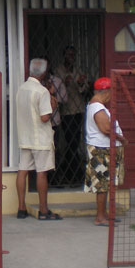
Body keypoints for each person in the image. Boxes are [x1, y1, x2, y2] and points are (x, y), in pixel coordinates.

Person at [15, 58, 62, 220]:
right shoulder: (42, 92)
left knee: (23, 171)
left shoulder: (21, 89)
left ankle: (21, 208)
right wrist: (53, 108)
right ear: (43, 72)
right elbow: (44, 117)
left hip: (25, 136)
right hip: (40, 138)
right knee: (42, 172)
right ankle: (43, 210)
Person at [84, 76, 127, 226]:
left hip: (104, 148)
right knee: (102, 185)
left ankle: (104, 214)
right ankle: (100, 217)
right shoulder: (97, 107)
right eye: (112, 91)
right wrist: (121, 139)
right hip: (101, 150)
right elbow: (106, 128)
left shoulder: (96, 106)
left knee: (105, 184)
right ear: (105, 91)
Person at [54, 45, 90, 185]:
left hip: (78, 109)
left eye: (73, 55)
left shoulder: (77, 70)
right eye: (69, 55)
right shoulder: (58, 71)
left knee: (76, 139)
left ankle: (72, 170)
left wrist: (81, 83)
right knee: (70, 141)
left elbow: (85, 89)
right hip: (66, 111)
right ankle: (70, 170)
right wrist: (65, 83)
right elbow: (55, 89)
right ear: (64, 56)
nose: (71, 57)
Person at [39, 57, 67, 186]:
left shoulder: (57, 81)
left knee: (56, 150)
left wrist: (52, 93)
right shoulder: (36, 83)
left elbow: (64, 99)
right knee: (41, 153)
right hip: (39, 123)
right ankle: (43, 178)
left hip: (54, 121)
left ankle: (55, 178)